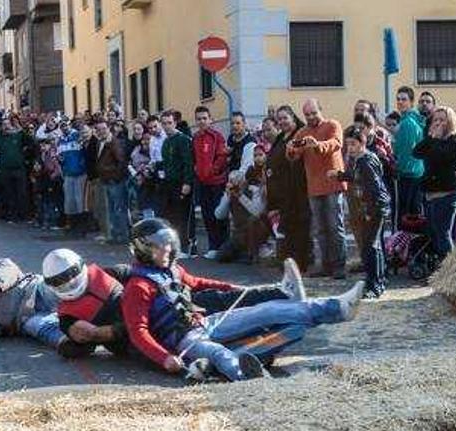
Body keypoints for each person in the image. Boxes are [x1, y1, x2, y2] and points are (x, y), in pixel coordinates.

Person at [121, 218, 363, 381]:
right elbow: (138, 332)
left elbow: (199, 283)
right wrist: (164, 359)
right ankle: (249, 378)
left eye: (169, 245)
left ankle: (337, 308)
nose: (168, 250)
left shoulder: (172, 270)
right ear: (143, 249)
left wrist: (235, 289)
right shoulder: (137, 286)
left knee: (268, 310)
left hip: (205, 323)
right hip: (184, 341)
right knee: (217, 353)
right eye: (161, 246)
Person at [41, 248, 300, 359]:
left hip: (162, 311)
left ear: (80, 267)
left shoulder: (110, 273)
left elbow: (149, 275)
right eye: (61, 280)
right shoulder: (68, 318)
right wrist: (95, 336)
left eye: (70, 275)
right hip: (142, 337)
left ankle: (281, 293)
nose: (68, 282)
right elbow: (92, 340)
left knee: (213, 299)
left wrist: (173, 283)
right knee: (204, 339)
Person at [286, 99, 348, 279]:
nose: (311, 117)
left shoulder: (332, 125)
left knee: (335, 226)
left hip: (332, 184)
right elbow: (293, 156)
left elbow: (336, 143)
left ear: (321, 110)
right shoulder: (302, 132)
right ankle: (325, 264)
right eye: (307, 115)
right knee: (320, 229)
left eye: (314, 113)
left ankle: (339, 265)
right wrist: (290, 150)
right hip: (313, 186)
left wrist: (317, 145)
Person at [329, 126, 391, 298]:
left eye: (354, 144)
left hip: (374, 207)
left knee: (370, 247)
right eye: (348, 144)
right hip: (370, 207)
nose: (350, 148)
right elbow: (353, 176)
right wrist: (339, 175)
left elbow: (374, 188)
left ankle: (375, 285)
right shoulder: (358, 160)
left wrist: (371, 211)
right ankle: (378, 280)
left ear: (362, 144)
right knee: (373, 246)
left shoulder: (365, 161)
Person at [412, 106, 456, 262]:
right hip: (431, 194)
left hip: (448, 194)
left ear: (450, 122)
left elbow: (441, 157)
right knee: (434, 233)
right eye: (436, 120)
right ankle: (441, 266)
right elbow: (416, 152)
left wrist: (435, 139)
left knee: (443, 233)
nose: (438, 123)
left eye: (442, 120)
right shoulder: (434, 139)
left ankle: (451, 271)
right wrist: (430, 137)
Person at [266, 105, 313, 272]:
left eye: (285, 118)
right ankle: (290, 263)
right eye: (279, 119)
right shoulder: (280, 137)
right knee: (287, 229)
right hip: (282, 193)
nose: (282, 122)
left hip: (297, 191)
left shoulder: (300, 134)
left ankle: (301, 263)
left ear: (293, 117)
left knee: (299, 228)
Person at [192, 106, 228, 260]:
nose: (202, 121)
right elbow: (194, 158)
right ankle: (213, 246)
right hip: (202, 182)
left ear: (210, 119)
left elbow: (221, 157)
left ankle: (223, 246)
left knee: (218, 215)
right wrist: (197, 172)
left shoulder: (217, 137)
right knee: (206, 215)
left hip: (216, 182)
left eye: (204, 118)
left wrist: (212, 171)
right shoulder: (195, 138)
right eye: (199, 119)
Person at [159, 111, 194, 257]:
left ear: (175, 123)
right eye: (164, 123)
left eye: (169, 123)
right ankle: (175, 246)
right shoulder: (166, 141)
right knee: (171, 217)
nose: (167, 126)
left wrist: (187, 182)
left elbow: (188, 163)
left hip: (181, 183)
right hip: (169, 184)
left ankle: (186, 248)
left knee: (182, 217)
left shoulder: (183, 139)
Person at [92, 120, 129, 243]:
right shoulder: (100, 143)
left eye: (103, 128)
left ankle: (123, 236)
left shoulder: (114, 143)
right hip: (106, 180)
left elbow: (121, 162)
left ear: (109, 129)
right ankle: (115, 235)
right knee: (112, 210)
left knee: (119, 209)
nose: (101, 131)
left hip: (115, 181)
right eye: (98, 129)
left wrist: (115, 177)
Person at [393, 86, 426, 218]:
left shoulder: (408, 122)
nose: (400, 102)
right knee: (414, 214)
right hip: (416, 172)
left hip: (409, 174)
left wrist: (398, 168)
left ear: (411, 102)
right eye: (398, 99)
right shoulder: (411, 120)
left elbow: (406, 151)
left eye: (404, 99)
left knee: (407, 218)